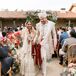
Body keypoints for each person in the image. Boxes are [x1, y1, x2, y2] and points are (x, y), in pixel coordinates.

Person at [36, 12, 57, 76]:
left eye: (43, 19)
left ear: (46, 18)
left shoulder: (51, 24)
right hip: (41, 43)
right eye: (40, 19)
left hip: (48, 43)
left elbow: (54, 34)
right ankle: (44, 72)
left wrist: (55, 44)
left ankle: (43, 67)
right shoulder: (38, 25)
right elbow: (37, 34)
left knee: (47, 57)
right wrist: (34, 40)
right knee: (43, 57)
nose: (41, 20)